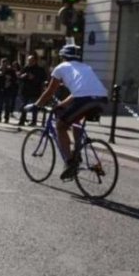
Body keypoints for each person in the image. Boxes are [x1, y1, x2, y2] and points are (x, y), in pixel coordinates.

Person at [26, 44, 108, 180]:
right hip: (101, 99)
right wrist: (61, 105)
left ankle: (70, 163)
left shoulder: (61, 67)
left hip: (84, 99)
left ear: (63, 57)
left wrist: (37, 105)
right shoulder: (86, 67)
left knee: (61, 126)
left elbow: (50, 90)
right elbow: (78, 93)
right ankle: (77, 152)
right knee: (76, 121)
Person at [18, 54, 48, 126]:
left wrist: (34, 78)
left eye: (31, 61)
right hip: (25, 90)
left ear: (35, 61)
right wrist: (23, 76)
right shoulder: (26, 68)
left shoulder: (39, 69)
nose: (29, 62)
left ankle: (33, 121)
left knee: (34, 106)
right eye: (29, 61)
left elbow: (43, 79)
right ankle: (22, 120)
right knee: (24, 106)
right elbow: (19, 76)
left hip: (35, 91)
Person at [0, 58, 14, 123]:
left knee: (7, 105)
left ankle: (6, 119)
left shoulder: (11, 71)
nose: (4, 65)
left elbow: (15, 79)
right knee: (0, 105)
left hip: (8, 89)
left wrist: (11, 79)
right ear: (1, 63)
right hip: (0, 89)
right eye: (3, 64)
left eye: (6, 64)